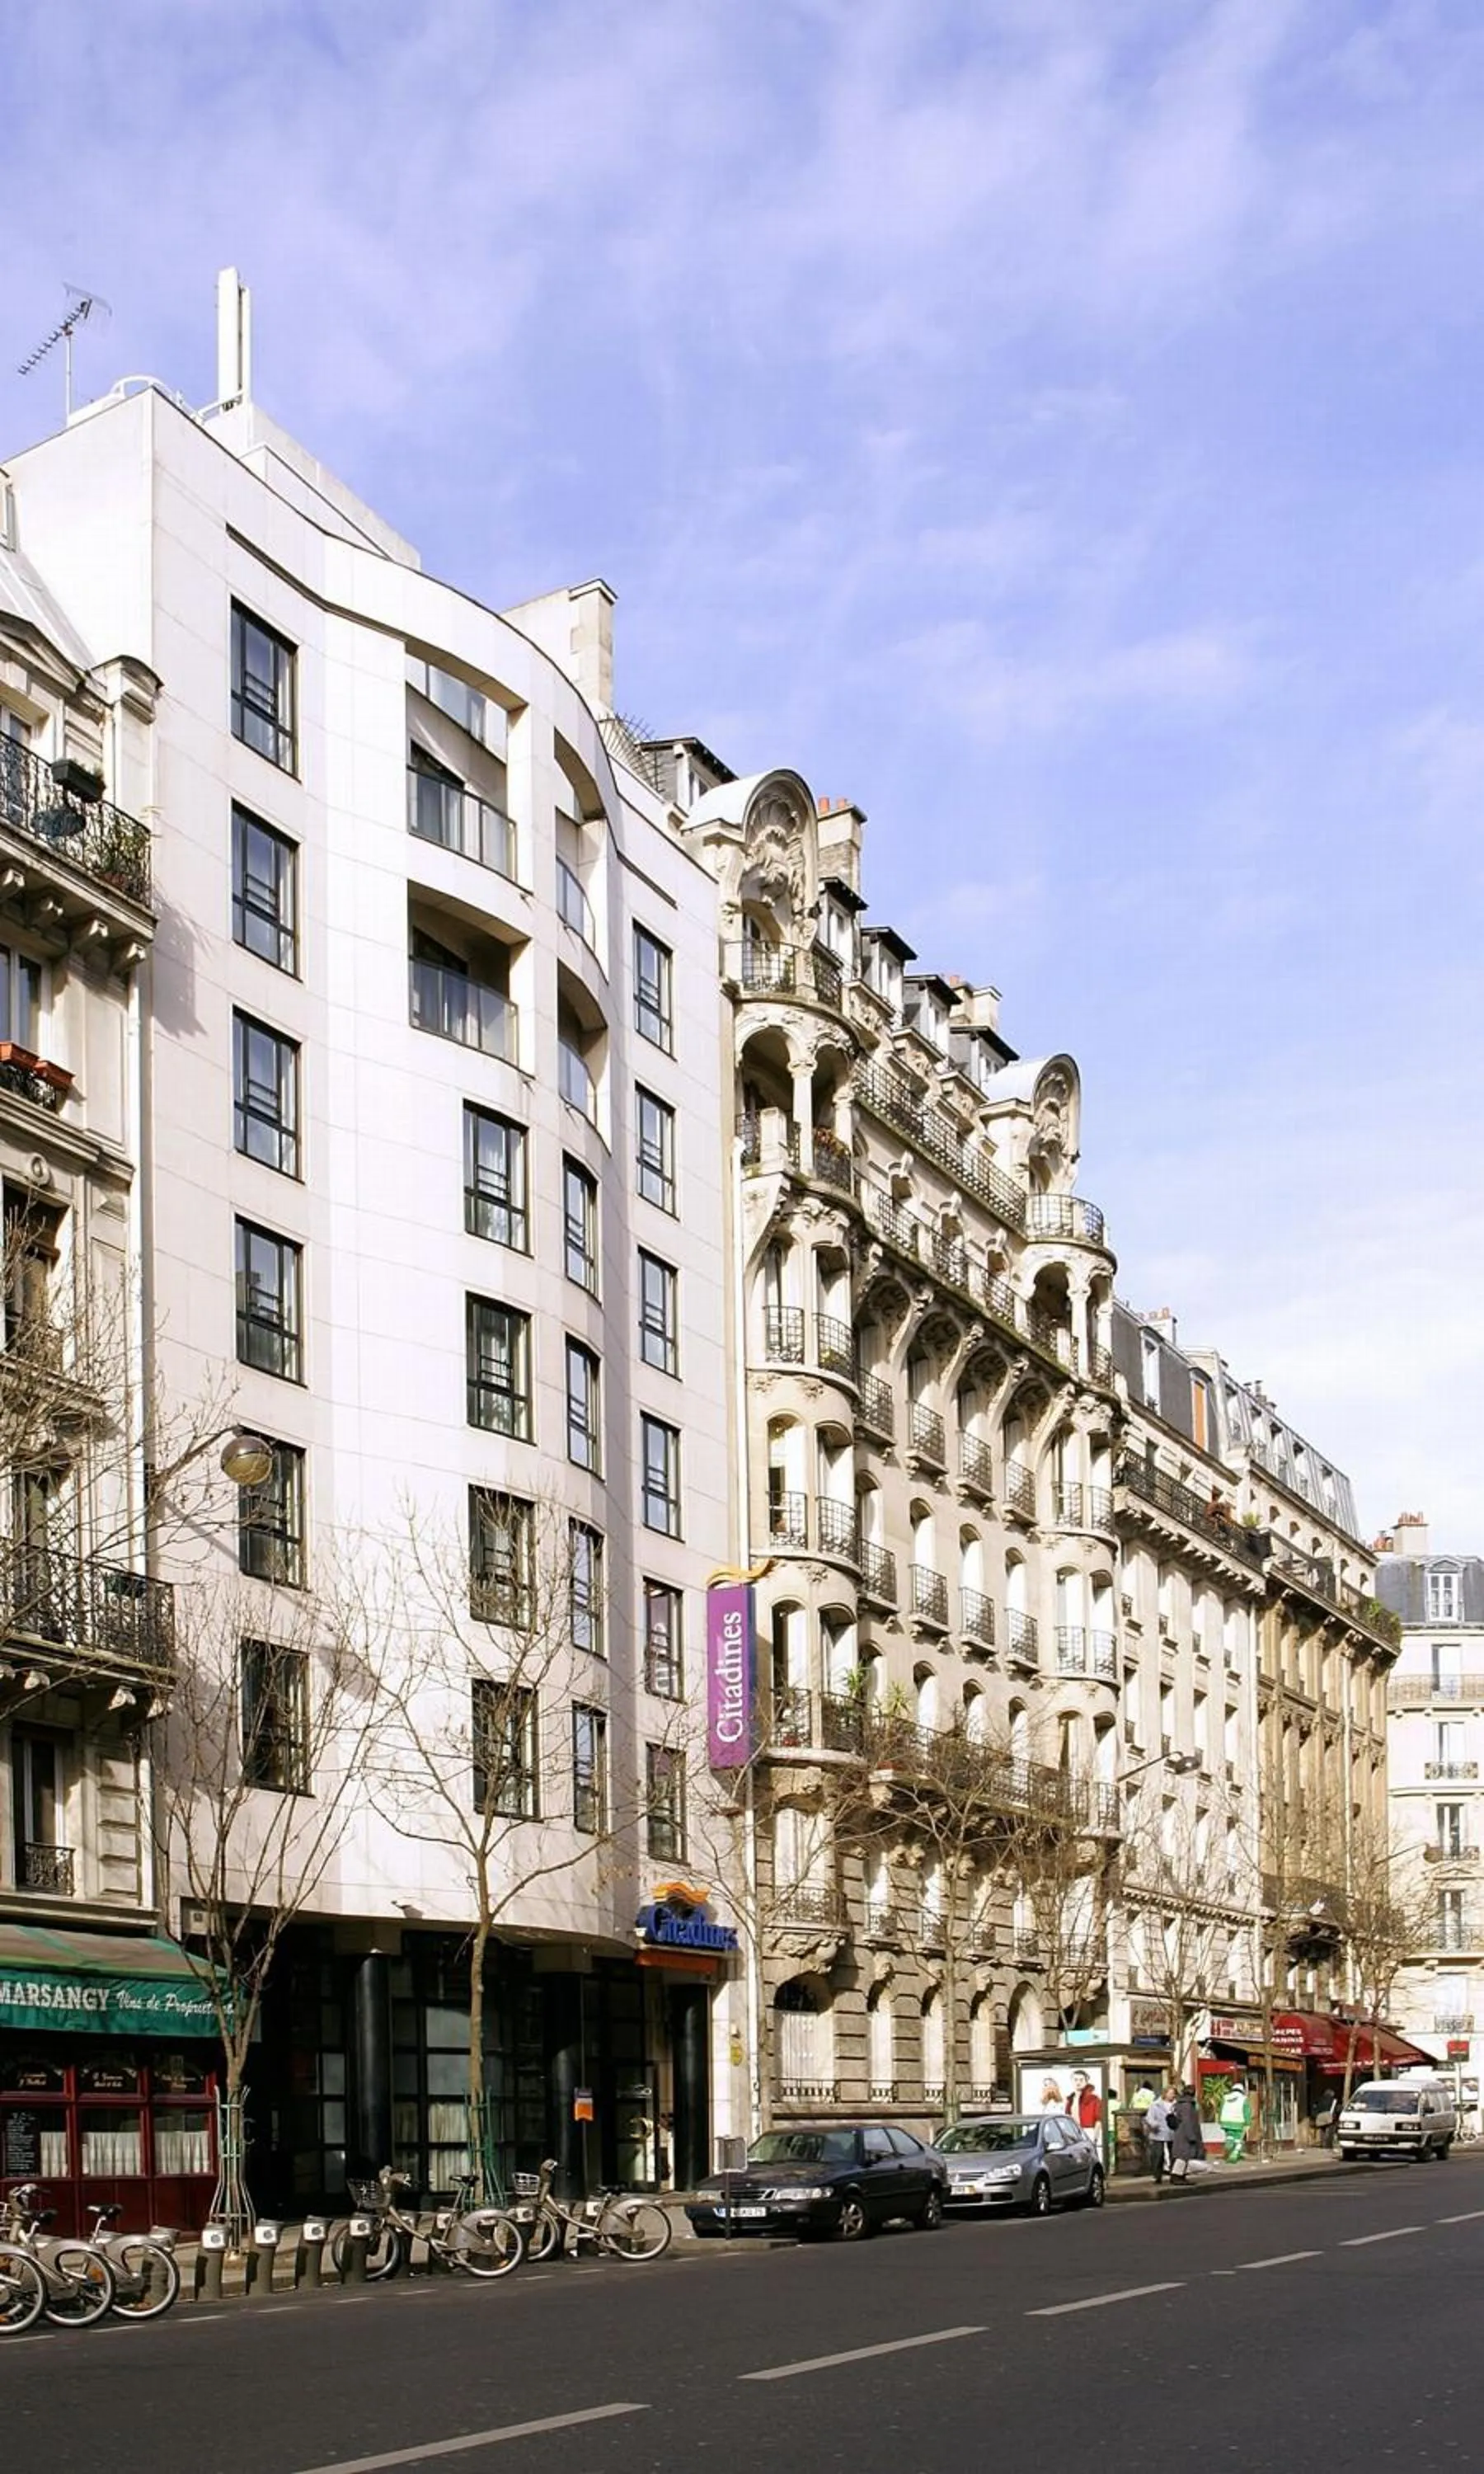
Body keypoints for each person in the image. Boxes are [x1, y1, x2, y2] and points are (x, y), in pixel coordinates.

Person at [1169, 2085, 1204, 2182]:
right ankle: (1177, 2176)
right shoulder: (1187, 2105)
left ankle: (1180, 2175)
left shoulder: (1181, 2103)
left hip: (1181, 2133)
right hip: (1185, 2134)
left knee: (1183, 2155)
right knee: (1183, 2155)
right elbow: (1187, 2122)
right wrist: (1192, 2136)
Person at [1144, 2087, 1173, 2184]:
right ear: (1165, 2094)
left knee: (1173, 2154)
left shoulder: (1176, 2105)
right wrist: (1154, 2124)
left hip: (1172, 2132)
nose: (1172, 2095)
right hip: (1158, 2131)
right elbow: (1149, 2118)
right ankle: (1157, 2175)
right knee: (1158, 2154)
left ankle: (1174, 2174)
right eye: (1170, 2093)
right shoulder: (1155, 2105)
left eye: (1173, 2093)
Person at [1219, 2079, 1252, 2163]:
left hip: (1226, 2122)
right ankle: (1235, 2155)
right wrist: (1248, 2123)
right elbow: (1247, 2111)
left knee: (1230, 2137)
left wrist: (1220, 2120)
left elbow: (1221, 2109)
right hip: (1238, 2122)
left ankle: (1228, 2149)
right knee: (1238, 2139)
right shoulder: (1244, 2099)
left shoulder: (1225, 2097)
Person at [1070, 2068, 1103, 2142]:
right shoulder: (1070, 2099)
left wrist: (1095, 2138)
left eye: (1081, 2080)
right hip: (1073, 2133)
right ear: (1072, 2081)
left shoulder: (1094, 2099)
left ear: (1086, 2082)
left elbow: (1099, 2120)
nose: (1078, 2082)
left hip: (1089, 2132)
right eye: (1075, 2080)